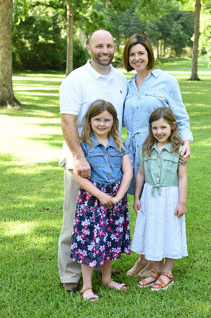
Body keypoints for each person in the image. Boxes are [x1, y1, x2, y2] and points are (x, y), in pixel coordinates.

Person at [58, 30, 127, 292]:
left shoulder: (120, 79)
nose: (105, 50)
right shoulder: (76, 79)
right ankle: (70, 274)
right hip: (83, 159)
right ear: (89, 48)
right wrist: (78, 157)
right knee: (75, 217)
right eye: (100, 46)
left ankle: (101, 265)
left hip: (110, 159)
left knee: (106, 217)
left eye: (110, 45)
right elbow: (67, 121)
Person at [123, 33, 193, 277]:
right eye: (132, 54)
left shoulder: (166, 81)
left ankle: (154, 262)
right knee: (143, 206)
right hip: (134, 152)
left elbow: (181, 116)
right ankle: (145, 258)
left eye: (141, 53)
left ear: (149, 53)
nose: (136, 58)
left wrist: (186, 142)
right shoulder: (126, 85)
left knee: (160, 203)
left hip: (161, 152)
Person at [71, 100, 133, 301]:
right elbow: (78, 176)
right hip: (93, 201)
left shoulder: (119, 144)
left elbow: (128, 172)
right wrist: (100, 195)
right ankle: (87, 286)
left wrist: (119, 196)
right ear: (89, 121)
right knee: (89, 240)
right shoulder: (84, 147)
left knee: (110, 238)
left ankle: (107, 279)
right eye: (97, 119)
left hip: (115, 199)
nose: (102, 124)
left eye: (107, 120)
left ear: (114, 122)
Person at [131, 107, 188, 290]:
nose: (159, 132)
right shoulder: (146, 148)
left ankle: (167, 272)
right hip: (149, 196)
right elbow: (140, 174)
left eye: (163, 127)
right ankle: (155, 270)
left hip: (170, 197)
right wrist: (137, 197)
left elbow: (182, 177)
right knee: (152, 232)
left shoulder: (178, 149)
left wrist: (182, 202)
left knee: (169, 231)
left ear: (172, 126)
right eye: (155, 128)